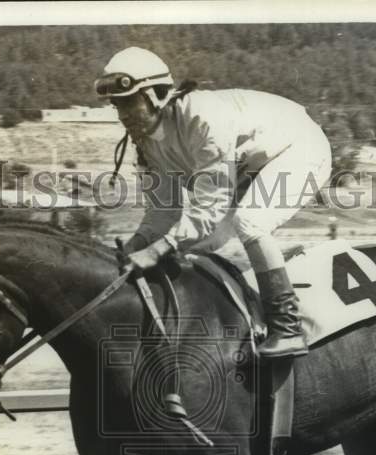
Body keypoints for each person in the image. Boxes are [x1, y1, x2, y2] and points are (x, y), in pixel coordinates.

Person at [95, 47, 332, 358]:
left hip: (298, 147)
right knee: (194, 247)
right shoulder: (146, 144)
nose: (123, 115)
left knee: (250, 222)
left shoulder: (203, 119)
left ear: (156, 95)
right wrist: (134, 246)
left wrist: (154, 250)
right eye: (117, 106)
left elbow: (208, 208)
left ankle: (287, 327)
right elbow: (162, 213)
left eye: (129, 103)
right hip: (248, 166)